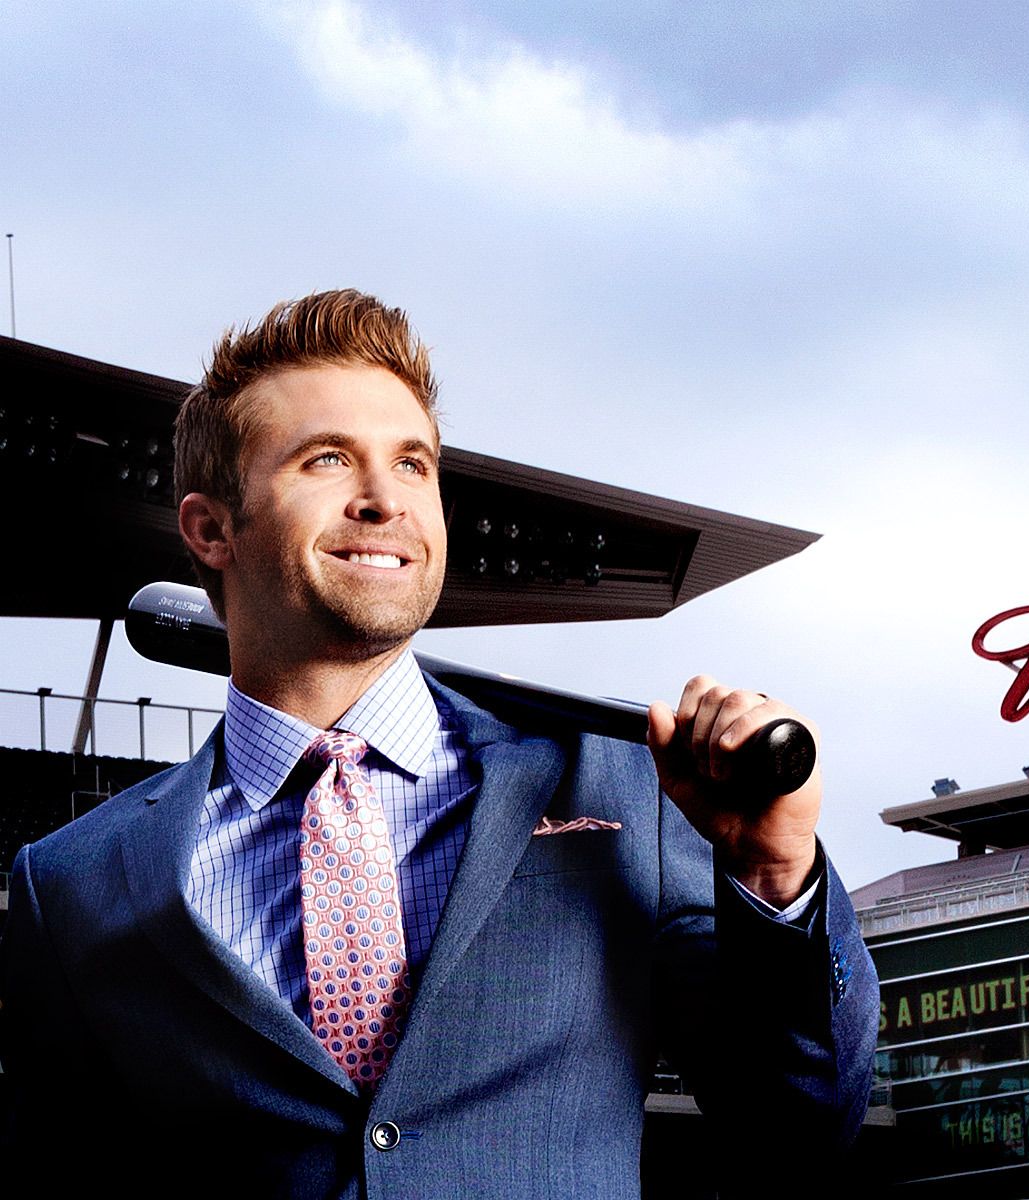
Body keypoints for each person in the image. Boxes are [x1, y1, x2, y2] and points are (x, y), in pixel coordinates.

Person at [0, 290, 877, 1196]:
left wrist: (777, 880)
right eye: (328, 459)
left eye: (413, 464)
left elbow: (800, 1130)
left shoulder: (618, 788)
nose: (384, 500)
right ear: (211, 528)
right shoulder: (69, 884)